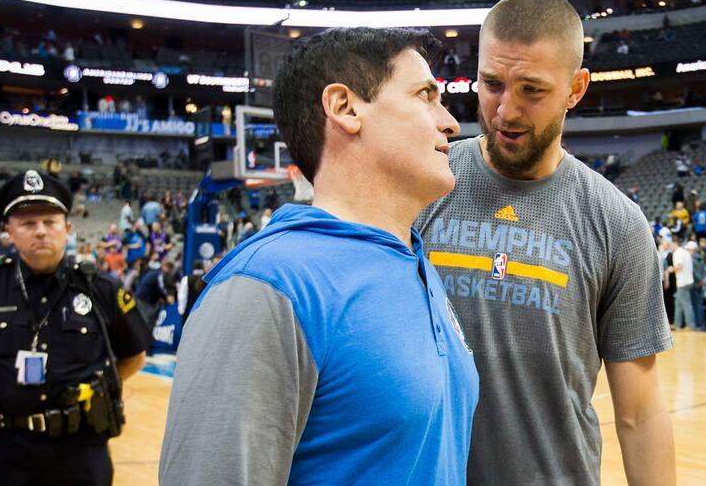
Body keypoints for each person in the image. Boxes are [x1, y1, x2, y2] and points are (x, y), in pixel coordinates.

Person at [160, 27, 478, 486]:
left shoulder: (416, 264)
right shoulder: (265, 286)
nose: (449, 122)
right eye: (425, 96)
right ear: (345, 108)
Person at [416, 0, 674, 486]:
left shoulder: (617, 222)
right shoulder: (424, 184)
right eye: (491, 83)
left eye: (532, 90)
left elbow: (640, 414)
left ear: (576, 88)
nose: (505, 111)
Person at [0, 170, 150, 485]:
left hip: (79, 453)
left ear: (68, 228)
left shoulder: (100, 288)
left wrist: (97, 389)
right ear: (8, 230)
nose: (40, 232)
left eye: (50, 222)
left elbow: (134, 355)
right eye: (27, 223)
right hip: (2, 453)